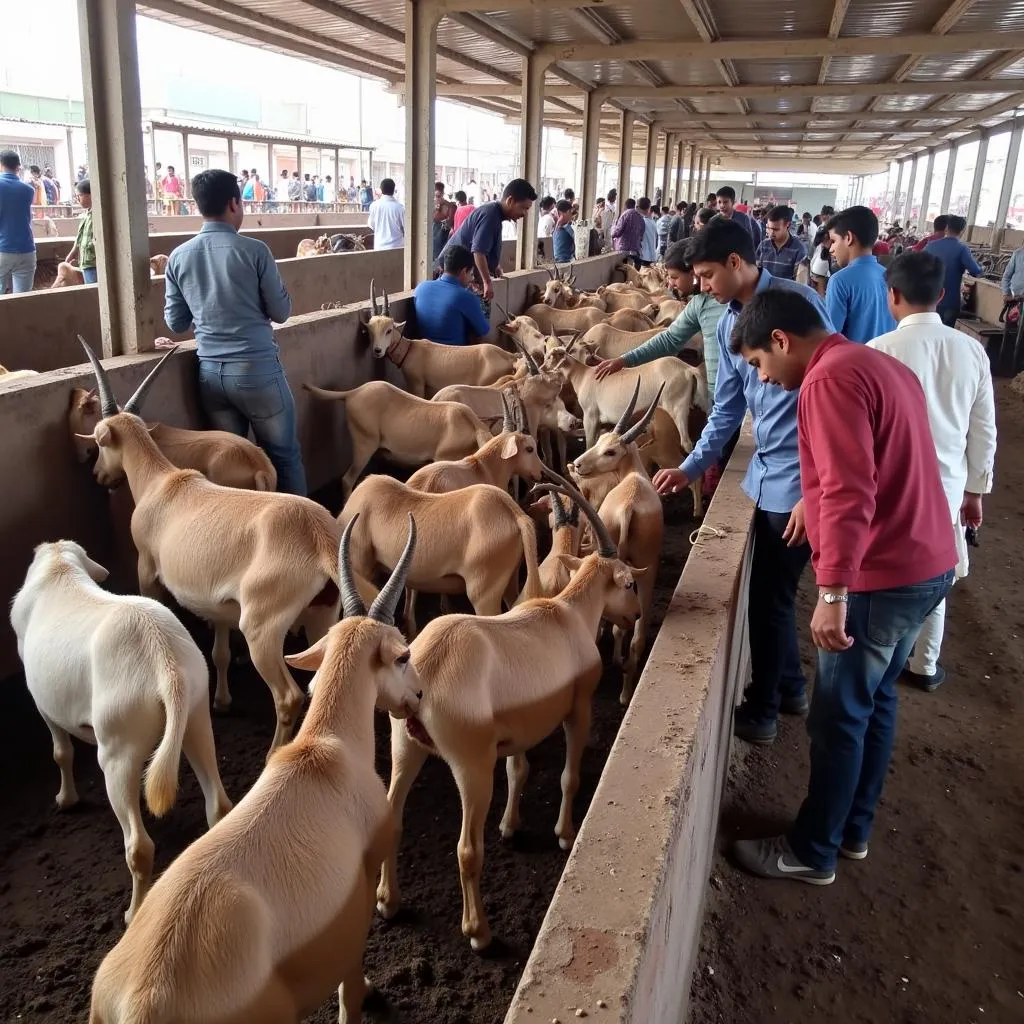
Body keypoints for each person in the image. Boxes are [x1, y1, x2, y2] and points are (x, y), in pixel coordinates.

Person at [728, 289, 957, 884]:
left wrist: (833, 593)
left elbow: (854, 492)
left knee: (836, 716)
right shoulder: (875, 363)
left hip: (882, 576)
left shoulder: (825, 381)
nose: (764, 378)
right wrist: (815, 494)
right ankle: (851, 830)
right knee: (875, 700)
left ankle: (812, 852)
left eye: (758, 363)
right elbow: (872, 463)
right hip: (929, 562)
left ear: (780, 341)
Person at [652, 217, 833, 745]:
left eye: (707, 274)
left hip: (795, 480)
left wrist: (811, 487)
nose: (702, 286)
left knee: (770, 598)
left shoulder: (797, 305)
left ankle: (763, 710)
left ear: (736, 262)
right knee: (773, 592)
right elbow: (727, 410)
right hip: (769, 472)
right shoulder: (728, 321)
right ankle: (792, 689)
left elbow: (823, 396)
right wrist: (688, 467)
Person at [868, 252, 996, 692]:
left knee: (890, 575)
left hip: (894, 487)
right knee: (937, 572)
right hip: (949, 485)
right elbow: (983, 428)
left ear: (892, 295)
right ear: (942, 295)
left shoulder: (877, 352)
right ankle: (924, 664)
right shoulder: (973, 350)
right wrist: (976, 491)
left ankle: (883, 652)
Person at [164, 169, 305, 497]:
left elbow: (176, 322)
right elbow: (281, 313)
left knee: (234, 465)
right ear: (233, 203)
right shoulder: (255, 251)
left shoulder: (178, 257)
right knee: (284, 457)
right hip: (258, 373)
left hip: (210, 376)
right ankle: (304, 541)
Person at [594, 239, 727, 406]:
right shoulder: (699, 303)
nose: (670, 283)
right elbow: (669, 339)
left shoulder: (728, 303)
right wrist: (623, 361)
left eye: (674, 277)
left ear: (694, 273)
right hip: (717, 403)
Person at [434, 178, 537, 302]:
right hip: (453, 274)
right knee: (476, 313)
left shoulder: (494, 213)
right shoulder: (491, 216)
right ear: (510, 201)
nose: (525, 214)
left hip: (462, 274)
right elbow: (478, 251)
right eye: (524, 208)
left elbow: (482, 246)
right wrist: (487, 282)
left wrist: (494, 265)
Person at [824, 206, 895, 343]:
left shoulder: (840, 281)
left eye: (834, 241)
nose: (831, 249)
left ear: (849, 238)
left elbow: (830, 337)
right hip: (885, 360)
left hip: (853, 362)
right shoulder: (890, 276)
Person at [413, 244, 492, 346]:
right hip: (454, 357)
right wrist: (482, 303)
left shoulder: (420, 288)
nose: (471, 279)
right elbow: (484, 331)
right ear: (464, 271)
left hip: (424, 353)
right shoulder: (466, 297)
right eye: (471, 274)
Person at [924, 215, 983, 326]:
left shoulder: (930, 247)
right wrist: (981, 267)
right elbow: (976, 271)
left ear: (946, 228)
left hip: (929, 299)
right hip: (950, 301)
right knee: (946, 335)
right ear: (962, 231)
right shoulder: (962, 249)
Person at [0, 149, 37, 294]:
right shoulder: (28, 190)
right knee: (23, 299)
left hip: (2, 249)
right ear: (19, 166)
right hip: (27, 249)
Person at [756, 205, 807, 281]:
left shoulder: (799, 249)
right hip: (764, 292)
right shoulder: (763, 245)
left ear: (788, 225)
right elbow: (756, 273)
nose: (771, 233)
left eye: (776, 229)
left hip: (787, 292)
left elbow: (800, 283)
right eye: (769, 228)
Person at [65, 179, 97, 284]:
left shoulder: (98, 215)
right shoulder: (85, 215)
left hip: (94, 262)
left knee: (94, 291)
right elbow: (80, 237)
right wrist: (73, 252)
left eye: (79, 195)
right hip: (85, 262)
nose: (77, 199)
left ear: (90, 195)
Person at [716, 186, 762, 250]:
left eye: (725, 202)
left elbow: (750, 242)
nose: (722, 205)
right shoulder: (715, 220)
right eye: (719, 202)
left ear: (733, 202)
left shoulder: (744, 219)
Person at [366, 177, 405, 251]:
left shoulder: (374, 206)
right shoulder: (400, 208)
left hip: (379, 247)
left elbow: (371, 225)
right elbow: (406, 228)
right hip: (397, 248)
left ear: (381, 190)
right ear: (394, 190)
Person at [611, 197, 645, 268]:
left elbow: (618, 231)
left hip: (624, 249)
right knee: (634, 273)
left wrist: (612, 232)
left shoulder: (625, 214)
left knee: (624, 272)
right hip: (636, 250)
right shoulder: (641, 217)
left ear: (625, 206)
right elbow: (642, 234)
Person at [432, 181, 454, 262]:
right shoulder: (447, 204)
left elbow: (433, 217)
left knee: (436, 253)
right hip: (441, 229)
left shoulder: (441, 203)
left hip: (439, 229)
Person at [552, 199, 576, 263]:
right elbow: (577, 239)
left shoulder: (556, 228)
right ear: (568, 211)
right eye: (571, 212)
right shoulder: (565, 227)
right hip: (565, 262)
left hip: (557, 261)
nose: (572, 216)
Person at [638, 197, 658, 267]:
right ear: (649, 207)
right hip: (650, 255)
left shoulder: (640, 220)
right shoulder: (652, 222)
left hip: (641, 254)